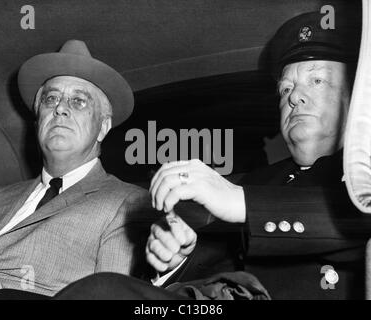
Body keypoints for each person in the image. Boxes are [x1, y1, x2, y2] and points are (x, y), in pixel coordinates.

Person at [146, 11, 371, 300]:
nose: (293, 97)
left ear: (354, 99)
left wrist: (242, 203)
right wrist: (176, 262)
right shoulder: (258, 182)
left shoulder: (363, 176)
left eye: (317, 81)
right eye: (286, 88)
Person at [0, 40, 157, 297]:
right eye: (51, 99)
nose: (60, 109)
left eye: (78, 101)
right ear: (38, 122)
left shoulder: (128, 204)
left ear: (103, 127)